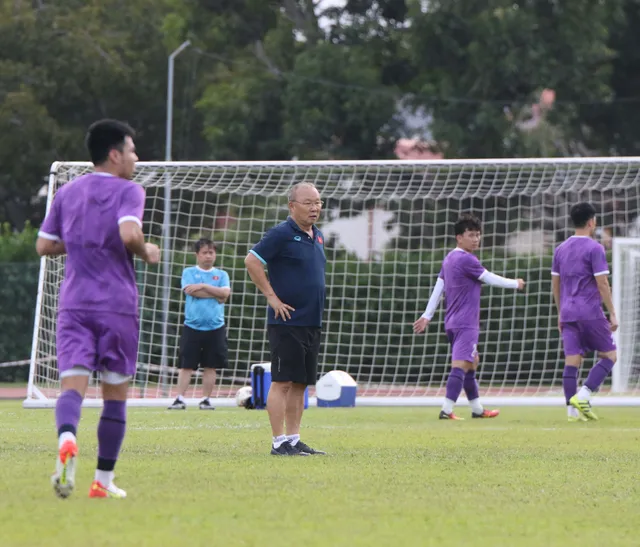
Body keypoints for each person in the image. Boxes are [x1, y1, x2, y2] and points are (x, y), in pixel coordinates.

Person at [36, 119, 160, 499]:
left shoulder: (68, 192)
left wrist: (80, 244)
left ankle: (68, 436)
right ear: (114, 154)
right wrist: (146, 251)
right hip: (116, 306)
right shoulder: (129, 191)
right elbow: (129, 234)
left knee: (71, 386)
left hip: (74, 304)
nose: (136, 158)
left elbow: (44, 245)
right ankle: (102, 482)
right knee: (115, 395)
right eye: (132, 150)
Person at [413, 213, 525, 420]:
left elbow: (439, 288)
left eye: (478, 235)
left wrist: (427, 315)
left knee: (472, 361)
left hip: (453, 322)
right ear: (459, 237)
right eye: (471, 235)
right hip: (466, 323)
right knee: (462, 364)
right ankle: (446, 410)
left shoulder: (449, 258)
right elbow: (488, 278)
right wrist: (515, 283)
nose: (475, 239)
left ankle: (477, 409)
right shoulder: (466, 259)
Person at [245, 182, 327, 456]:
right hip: (287, 321)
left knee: (301, 382)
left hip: (311, 321)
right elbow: (252, 260)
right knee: (282, 381)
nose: (314, 207)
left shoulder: (317, 235)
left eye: (318, 202)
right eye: (308, 202)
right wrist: (272, 297)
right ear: (292, 206)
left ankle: (293, 439)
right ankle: (278, 441)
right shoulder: (281, 233)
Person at [552, 202, 617, 421]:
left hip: (568, 313)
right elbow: (602, 283)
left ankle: (571, 412)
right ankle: (584, 394)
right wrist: (613, 313)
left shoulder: (560, 249)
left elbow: (556, 284)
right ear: (592, 222)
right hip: (589, 311)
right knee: (610, 355)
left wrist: (560, 312)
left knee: (572, 360)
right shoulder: (594, 248)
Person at [168, 238, 230, 410]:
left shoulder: (222, 274)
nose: (208, 256)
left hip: (216, 327)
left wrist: (202, 286)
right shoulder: (188, 272)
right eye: (204, 253)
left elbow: (225, 293)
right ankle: (179, 398)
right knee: (186, 365)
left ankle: (206, 400)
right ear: (197, 255)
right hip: (192, 326)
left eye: (211, 252)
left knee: (211, 366)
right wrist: (216, 294)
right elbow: (190, 292)